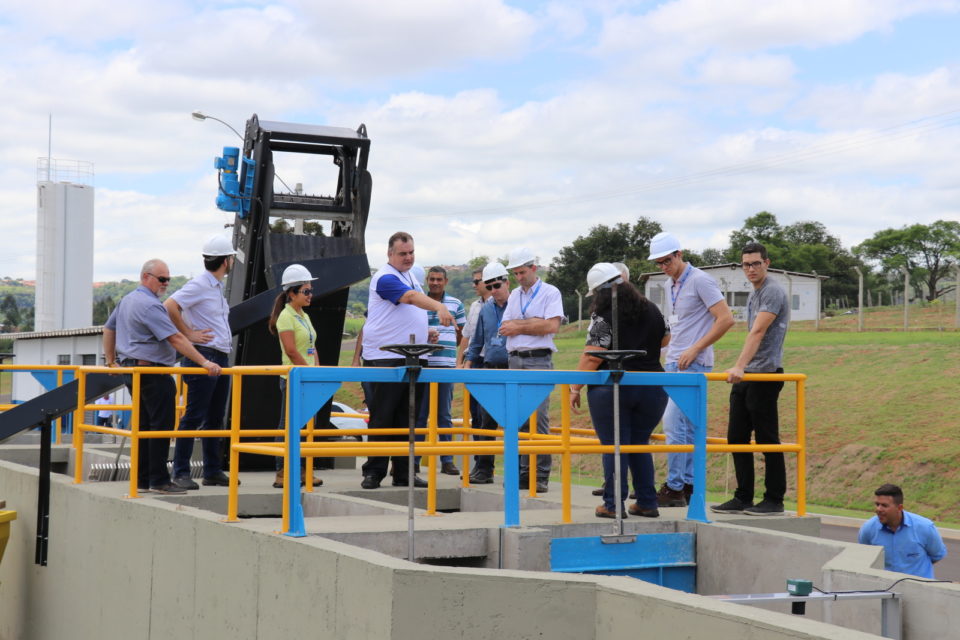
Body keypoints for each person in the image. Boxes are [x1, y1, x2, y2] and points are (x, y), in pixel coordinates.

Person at [103, 259, 222, 494]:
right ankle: (159, 481)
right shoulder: (149, 305)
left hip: (134, 371)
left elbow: (109, 329)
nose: (166, 283)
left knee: (145, 426)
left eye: (168, 278)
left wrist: (111, 361)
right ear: (146, 277)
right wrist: (205, 361)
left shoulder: (127, 300)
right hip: (153, 372)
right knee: (160, 426)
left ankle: (142, 479)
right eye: (162, 279)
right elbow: (175, 338)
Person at [570, 263, 669, 519]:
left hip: (614, 387)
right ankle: (647, 501)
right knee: (638, 443)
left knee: (615, 446)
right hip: (653, 386)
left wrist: (574, 387)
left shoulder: (603, 314)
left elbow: (594, 356)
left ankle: (613, 504)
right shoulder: (651, 308)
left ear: (600, 292)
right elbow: (666, 339)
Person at [360, 232, 454, 490]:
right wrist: (438, 307)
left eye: (411, 252)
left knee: (408, 419)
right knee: (383, 417)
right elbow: (410, 299)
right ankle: (374, 472)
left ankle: (404, 472)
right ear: (390, 254)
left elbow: (407, 310)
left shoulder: (410, 276)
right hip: (385, 359)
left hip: (412, 356)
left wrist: (426, 332)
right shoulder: (385, 277)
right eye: (403, 253)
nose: (408, 257)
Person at [650, 232, 734, 507]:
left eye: (667, 260)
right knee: (683, 428)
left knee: (674, 425)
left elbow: (725, 319)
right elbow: (678, 324)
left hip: (692, 363)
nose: (664, 266)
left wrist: (696, 348)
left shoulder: (700, 280)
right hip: (674, 361)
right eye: (659, 262)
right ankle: (686, 484)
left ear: (679, 254)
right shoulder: (669, 284)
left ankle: (675, 486)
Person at [711, 242, 790, 515]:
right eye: (746, 264)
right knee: (736, 437)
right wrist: (742, 369)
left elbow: (757, 332)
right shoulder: (755, 293)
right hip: (748, 374)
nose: (751, 268)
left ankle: (774, 499)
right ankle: (743, 496)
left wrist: (739, 366)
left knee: (768, 439)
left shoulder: (773, 292)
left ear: (767, 263)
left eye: (756, 263)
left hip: (765, 375)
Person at [164, 234, 236, 490]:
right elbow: (170, 305)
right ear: (226, 261)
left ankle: (212, 470)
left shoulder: (214, 286)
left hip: (218, 356)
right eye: (231, 258)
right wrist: (188, 333)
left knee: (215, 417)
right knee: (193, 416)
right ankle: (181, 471)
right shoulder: (200, 285)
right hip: (204, 356)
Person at [500, 247, 564, 493]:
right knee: (518, 420)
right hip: (515, 359)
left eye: (522, 272)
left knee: (538, 419)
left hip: (538, 359)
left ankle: (540, 475)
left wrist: (519, 326)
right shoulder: (515, 295)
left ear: (533, 268)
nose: (519, 277)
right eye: (515, 273)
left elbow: (551, 325)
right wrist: (529, 324)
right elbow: (507, 325)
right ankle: (523, 472)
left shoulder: (550, 292)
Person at [268, 263, 324, 489]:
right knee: (288, 425)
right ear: (292, 293)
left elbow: (312, 346)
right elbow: (291, 350)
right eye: (306, 291)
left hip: (307, 377)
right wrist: (307, 372)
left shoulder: (303, 316)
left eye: (311, 291)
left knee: (304, 427)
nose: (311, 295)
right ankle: (282, 471)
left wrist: (318, 371)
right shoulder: (286, 317)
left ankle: (300, 470)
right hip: (294, 378)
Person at [415, 266, 466, 476]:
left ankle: (447, 460)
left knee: (444, 415)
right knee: (419, 416)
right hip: (424, 366)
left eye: (439, 279)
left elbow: (462, 333)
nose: (435, 283)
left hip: (445, 366)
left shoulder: (456, 304)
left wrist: (456, 358)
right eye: (432, 279)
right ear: (427, 280)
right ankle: (413, 461)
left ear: (446, 281)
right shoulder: (418, 302)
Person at [464, 262, 511, 483]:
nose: (494, 291)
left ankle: (522, 472)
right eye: (489, 287)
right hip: (490, 368)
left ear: (507, 282)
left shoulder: (519, 304)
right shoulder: (486, 309)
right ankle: (484, 469)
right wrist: (467, 365)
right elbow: (476, 342)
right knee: (485, 422)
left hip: (514, 369)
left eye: (497, 285)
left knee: (520, 423)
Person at [858, 484, 947, 578]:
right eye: (877, 504)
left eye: (884, 505)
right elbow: (865, 559)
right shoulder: (868, 529)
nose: (878, 509)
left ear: (900, 508)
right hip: (886, 588)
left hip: (919, 589)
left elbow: (937, 555)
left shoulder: (925, 527)